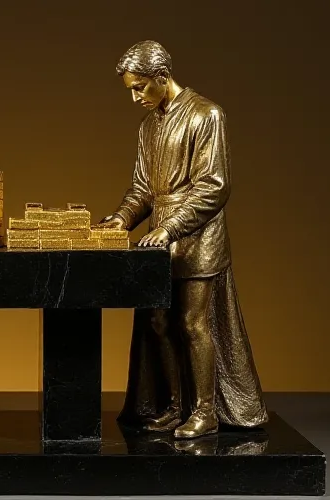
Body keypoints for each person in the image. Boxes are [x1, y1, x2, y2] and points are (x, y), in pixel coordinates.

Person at [96, 41, 268, 438]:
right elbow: (143, 188)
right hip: (160, 239)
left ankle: (205, 412)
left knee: (192, 323)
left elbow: (214, 186)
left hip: (198, 236)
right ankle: (176, 406)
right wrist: (122, 219)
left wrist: (170, 227)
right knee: (158, 322)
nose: (136, 97)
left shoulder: (206, 114)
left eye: (140, 87)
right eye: (131, 90)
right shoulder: (148, 126)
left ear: (161, 77)